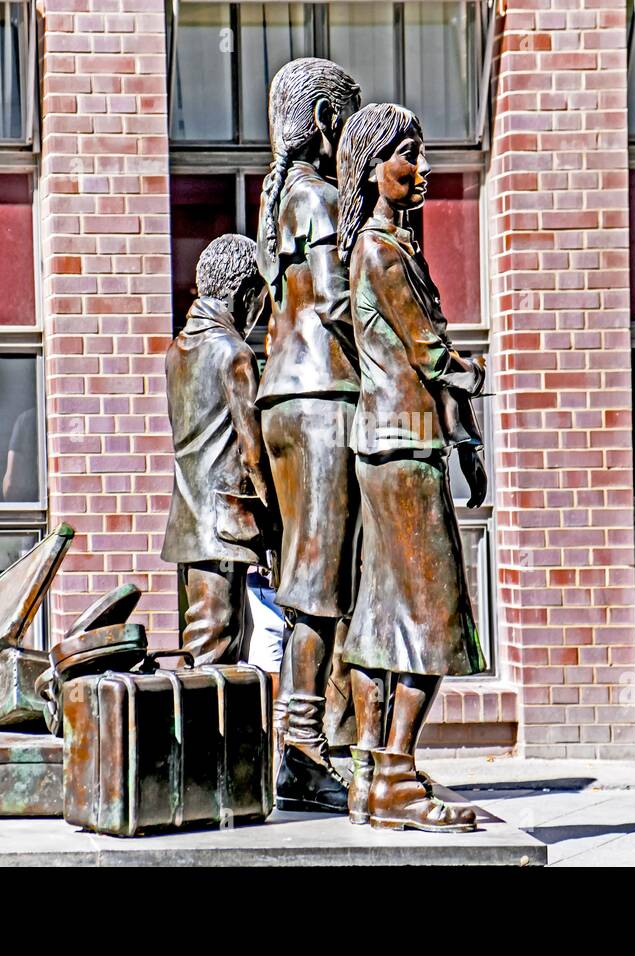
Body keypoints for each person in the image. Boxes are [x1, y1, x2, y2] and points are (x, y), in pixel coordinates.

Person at [335, 103, 488, 832]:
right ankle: (392, 771)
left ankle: (375, 770)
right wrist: (476, 372)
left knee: (382, 611)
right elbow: (431, 353)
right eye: (406, 155)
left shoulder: (387, 245)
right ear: (371, 167)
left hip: (390, 444)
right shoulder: (383, 252)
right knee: (429, 613)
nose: (421, 169)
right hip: (402, 445)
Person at [255, 57, 363, 815]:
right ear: (326, 121)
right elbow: (336, 299)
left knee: (313, 585)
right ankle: (300, 753)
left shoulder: (283, 201)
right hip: (322, 397)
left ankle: (318, 741)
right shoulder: (318, 198)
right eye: (348, 121)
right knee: (318, 590)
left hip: (290, 398)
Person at [161, 234, 274, 666]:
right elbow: (254, 453)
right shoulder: (234, 354)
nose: (259, 311)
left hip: (188, 522)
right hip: (225, 526)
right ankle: (209, 735)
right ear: (244, 293)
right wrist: (277, 522)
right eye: (260, 300)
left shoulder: (177, 351)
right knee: (216, 650)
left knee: (201, 640)